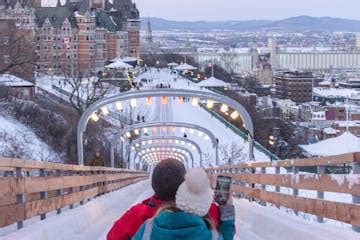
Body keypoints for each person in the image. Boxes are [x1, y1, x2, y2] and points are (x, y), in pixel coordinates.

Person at [107, 159, 220, 240]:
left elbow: (112, 237)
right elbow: (227, 230)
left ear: (154, 184)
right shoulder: (203, 211)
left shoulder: (137, 214)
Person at [132, 168, 235, 240]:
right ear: (205, 206)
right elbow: (227, 237)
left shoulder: (148, 229)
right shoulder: (210, 236)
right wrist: (227, 208)